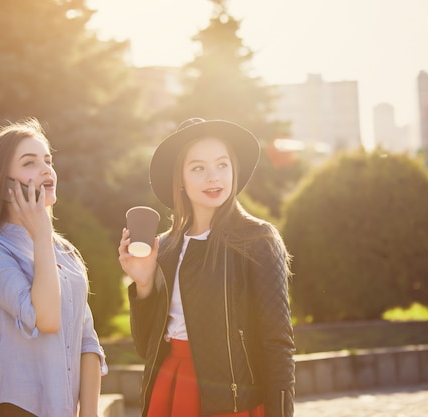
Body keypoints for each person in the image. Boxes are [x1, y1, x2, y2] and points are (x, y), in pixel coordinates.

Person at [118, 118, 295, 417]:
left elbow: (278, 343)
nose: (214, 177)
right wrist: (144, 282)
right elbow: (146, 346)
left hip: (233, 402)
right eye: (198, 168)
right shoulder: (165, 247)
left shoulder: (258, 239)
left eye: (222, 165)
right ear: (181, 180)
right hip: (172, 387)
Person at [0, 118, 107, 417]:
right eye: (30, 163)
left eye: (48, 160)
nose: (47, 169)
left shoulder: (63, 250)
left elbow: (87, 340)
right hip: (15, 408)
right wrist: (42, 234)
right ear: (3, 183)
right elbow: (45, 319)